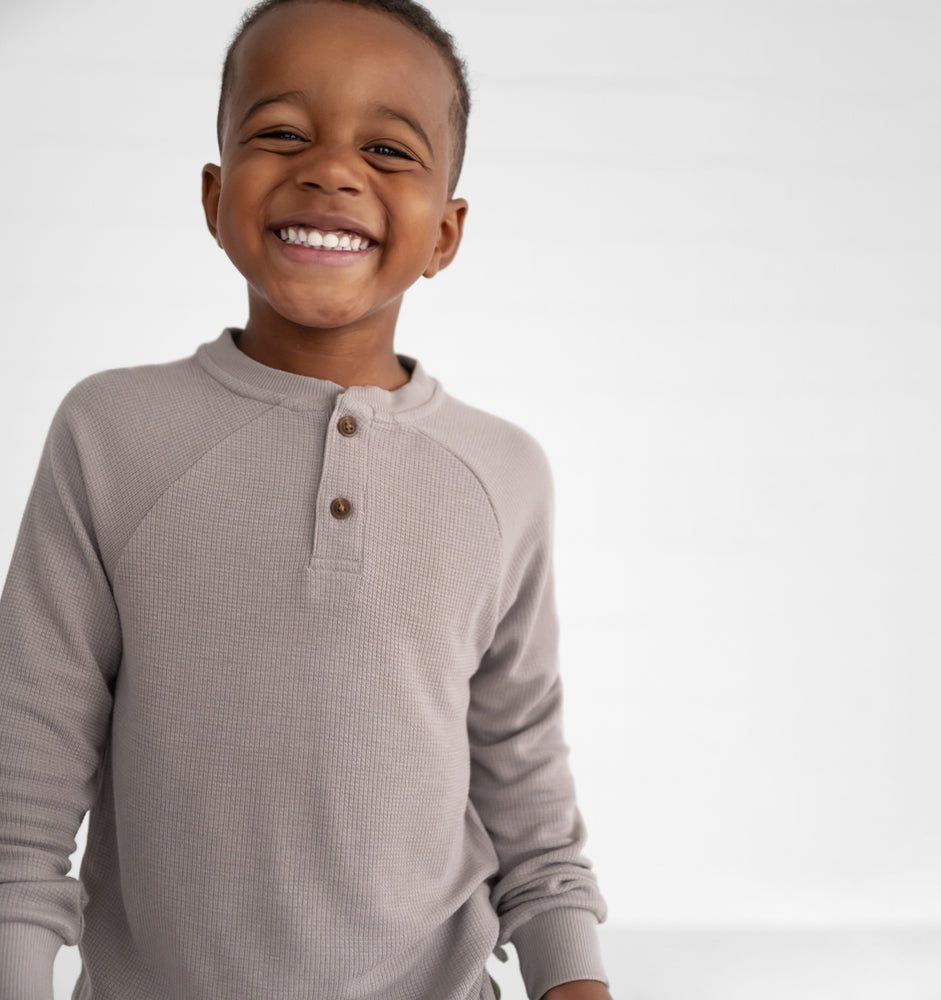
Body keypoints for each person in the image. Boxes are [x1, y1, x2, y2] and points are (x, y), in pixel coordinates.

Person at [0, 2, 611, 998]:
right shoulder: (109, 434)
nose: (330, 169)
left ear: (446, 232)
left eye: (387, 147)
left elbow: (523, 771)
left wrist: (572, 977)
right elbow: (22, 783)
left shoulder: (503, 472)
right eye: (281, 132)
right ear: (214, 195)